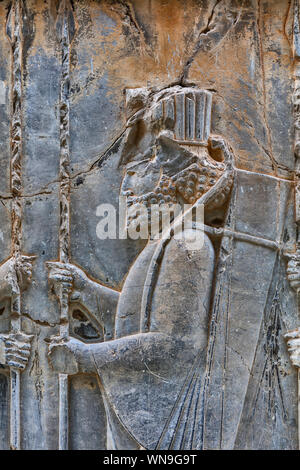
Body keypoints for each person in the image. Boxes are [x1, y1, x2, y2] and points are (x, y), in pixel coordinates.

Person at [46, 87, 235, 450]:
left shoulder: (188, 245)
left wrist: (87, 356)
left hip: (172, 422)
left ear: (176, 181)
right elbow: (135, 319)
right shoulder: (169, 243)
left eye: (141, 168)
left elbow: (174, 345)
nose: (127, 187)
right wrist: (84, 289)